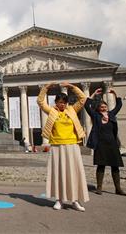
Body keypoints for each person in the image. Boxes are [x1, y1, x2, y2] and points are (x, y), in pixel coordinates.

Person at [38, 82, 88, 211]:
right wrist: (45, 88)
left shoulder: (72, 109)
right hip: (57, 146)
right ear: (56, 102)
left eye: (64, 102)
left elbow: (83, 99)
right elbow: (40, 102)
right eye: (59, 102)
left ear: (67, 103)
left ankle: (75, 201)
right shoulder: (52, 111)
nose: (62, 104)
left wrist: (72, 86)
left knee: (74, 173)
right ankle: (59, 200)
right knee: (59, 173)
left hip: (72, 145)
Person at [85, 88, 126, 196]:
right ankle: (99, 188)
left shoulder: (112, 114)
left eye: (105, 106)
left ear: (107, 108)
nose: (103, 108)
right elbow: (86, 106)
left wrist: (115, 94)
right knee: (101, 166)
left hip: (112, 144)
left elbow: (119, 105)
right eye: (101, 107)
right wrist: (93, 94)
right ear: (98, 109)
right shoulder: (95, 116)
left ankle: (118, 189)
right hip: (100, 144)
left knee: (115, 166)